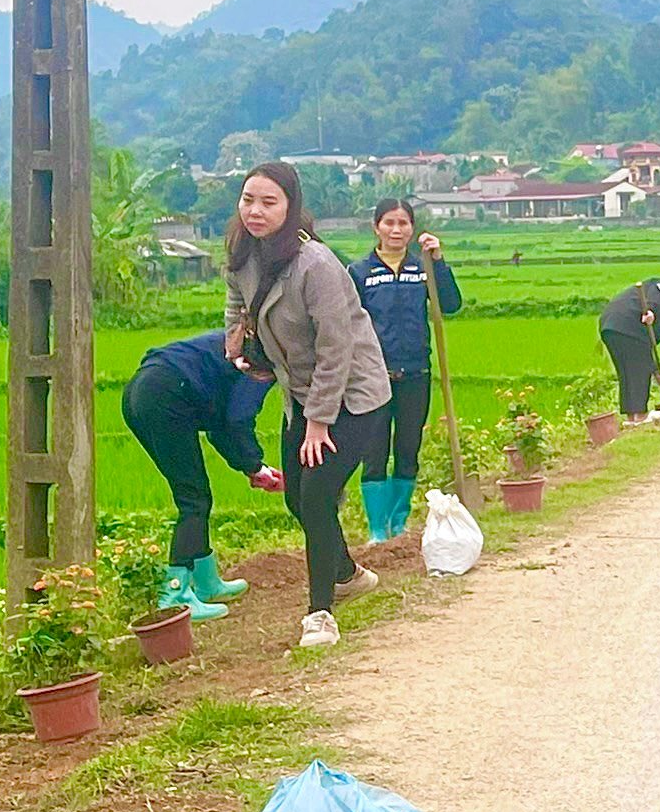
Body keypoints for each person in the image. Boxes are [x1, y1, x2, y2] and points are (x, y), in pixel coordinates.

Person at [223, 161, 393, 651]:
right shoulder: (242, 252)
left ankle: (320, 613)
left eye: (269, 202)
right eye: (248, 199)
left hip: (355, 399)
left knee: (317, 498)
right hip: (299, 394)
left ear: (291, 207)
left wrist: (319, 423)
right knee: (298, 497)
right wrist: (238, 346)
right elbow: (236, 304)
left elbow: (335, 348)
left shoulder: (316, 266)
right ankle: (347, 572)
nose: (255, 211)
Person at [121, 332, 282, 620]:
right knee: (193, 498)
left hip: (139, 391)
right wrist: (256, 466)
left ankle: (207, 583)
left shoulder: (244, 341)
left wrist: (252, 467)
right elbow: (237, 420)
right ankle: (175, 592)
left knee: (194, 492)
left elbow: (220, 428)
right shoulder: (263, 358)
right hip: (167, 394)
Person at [348, 199, 461, 542]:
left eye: (403, 224)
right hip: (373, 377)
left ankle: (399, 524)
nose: (396, 230)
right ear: (376, 227)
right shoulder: (360, 272)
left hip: (415, 373)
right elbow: (347, 322)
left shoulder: (422, 267)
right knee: (374, 451)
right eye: (389, 223)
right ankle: (377, 529)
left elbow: (451, 304)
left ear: (412, 228)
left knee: (408, 448)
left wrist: (438, 261)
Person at [598, 277, 660, 424]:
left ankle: (631, 416)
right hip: (628, 324)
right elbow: (656, 296)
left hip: (609, 326)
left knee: (626, 371)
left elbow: (647, 349)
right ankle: (640, 415)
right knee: (639, 371)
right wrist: (650, 311)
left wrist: (656, 371)